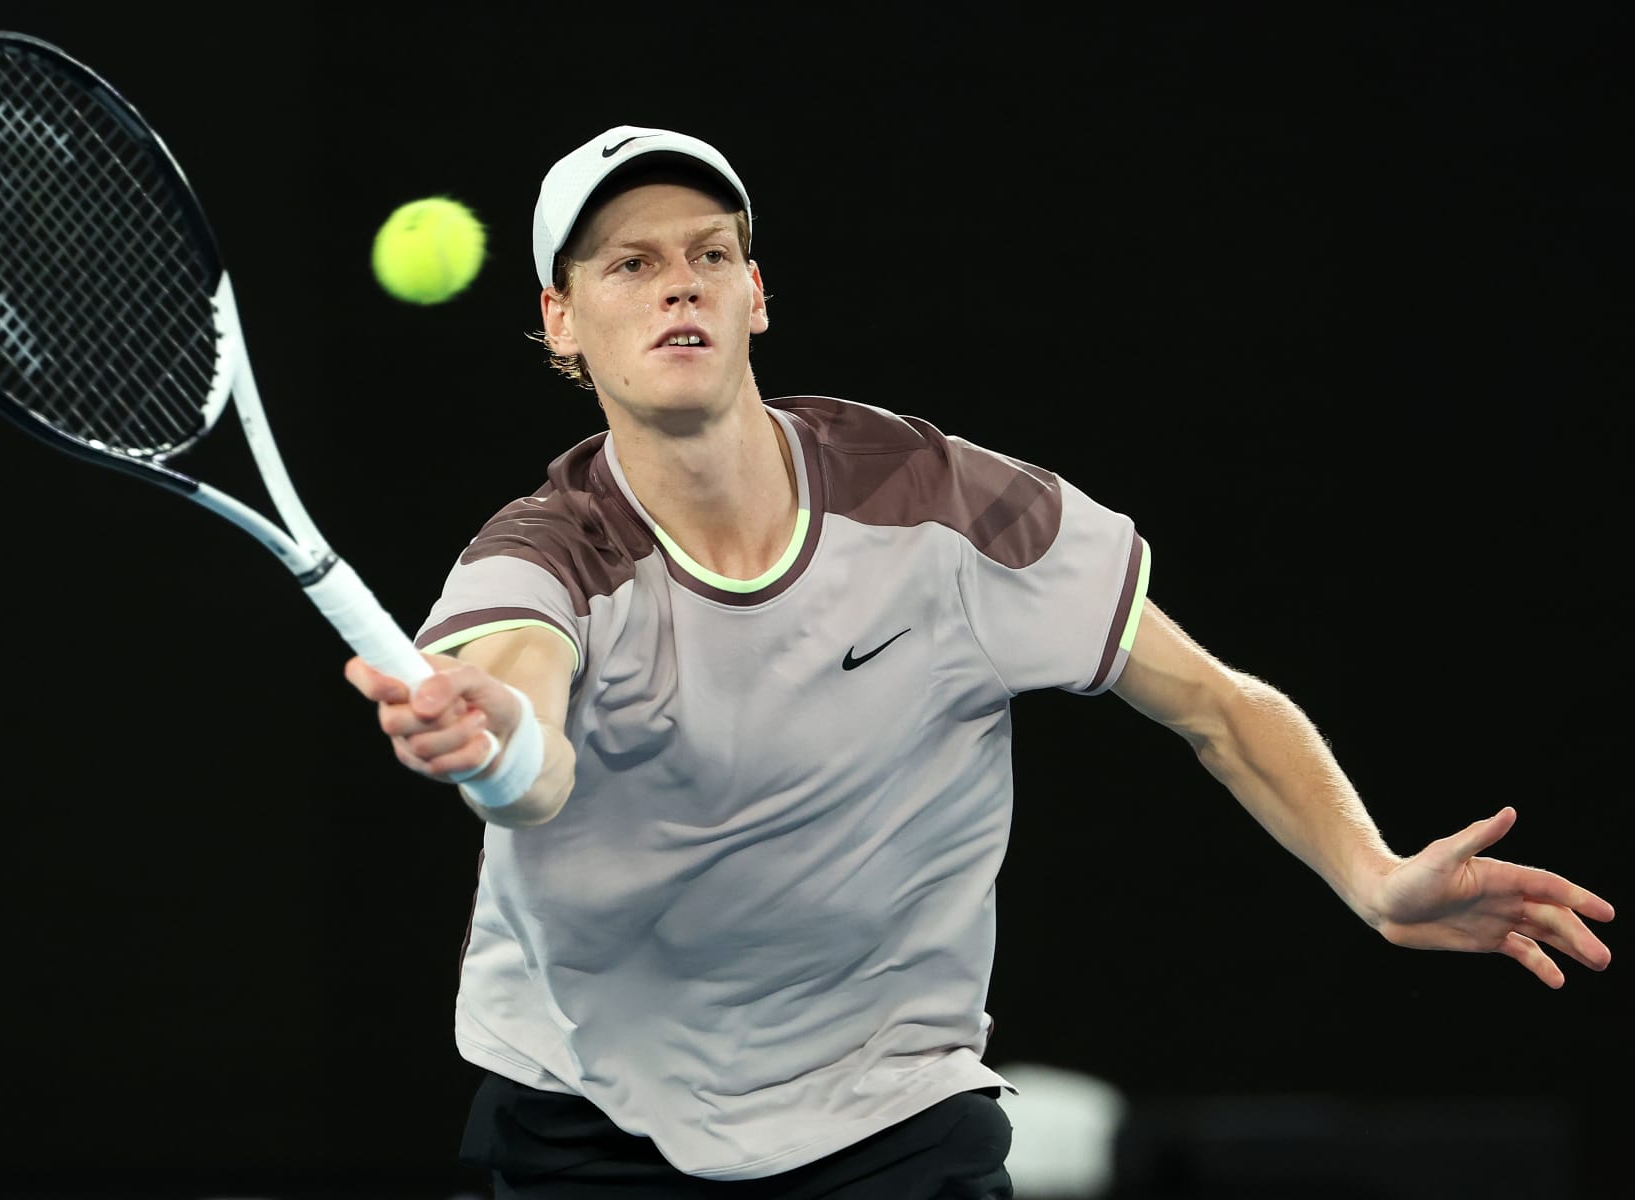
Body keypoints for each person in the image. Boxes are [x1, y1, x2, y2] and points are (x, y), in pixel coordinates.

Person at [342, 126, 1616, 1199]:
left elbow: (1218, 706)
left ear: (756, 295)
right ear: (563, 322)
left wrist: (1377, 876)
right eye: (631, 263)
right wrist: (490, 737)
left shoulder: (938, 501)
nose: (680, 284)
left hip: (889, 1114)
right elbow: (530, 744)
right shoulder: (540, 556)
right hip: (586, 1121)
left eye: (709, 256)